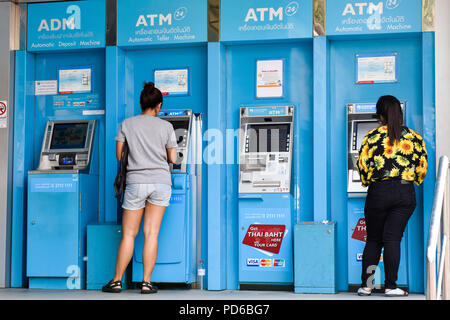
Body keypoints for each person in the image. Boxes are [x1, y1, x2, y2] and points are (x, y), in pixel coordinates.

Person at [102, 82, 178, 294]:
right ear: (159, 105)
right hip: (161, 182)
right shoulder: (166, 127)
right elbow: (172, 157)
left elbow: (120, 156)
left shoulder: (127, 124)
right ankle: (146, 283)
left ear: (141, 103)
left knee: (128, 234)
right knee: (151, 233)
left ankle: (116, 281)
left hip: (136, 182)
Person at [356, 95, 428, 297]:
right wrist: (411, 179)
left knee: (373, 240)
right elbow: (422, 168)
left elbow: (362, 166)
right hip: (404, 192)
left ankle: (367, 286)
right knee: (393, 239)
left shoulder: (371, 137)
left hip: (379, 191)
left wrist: (370, 181)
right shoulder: (414, 137)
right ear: (400, 114)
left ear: (380, 115)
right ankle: (390, 286)